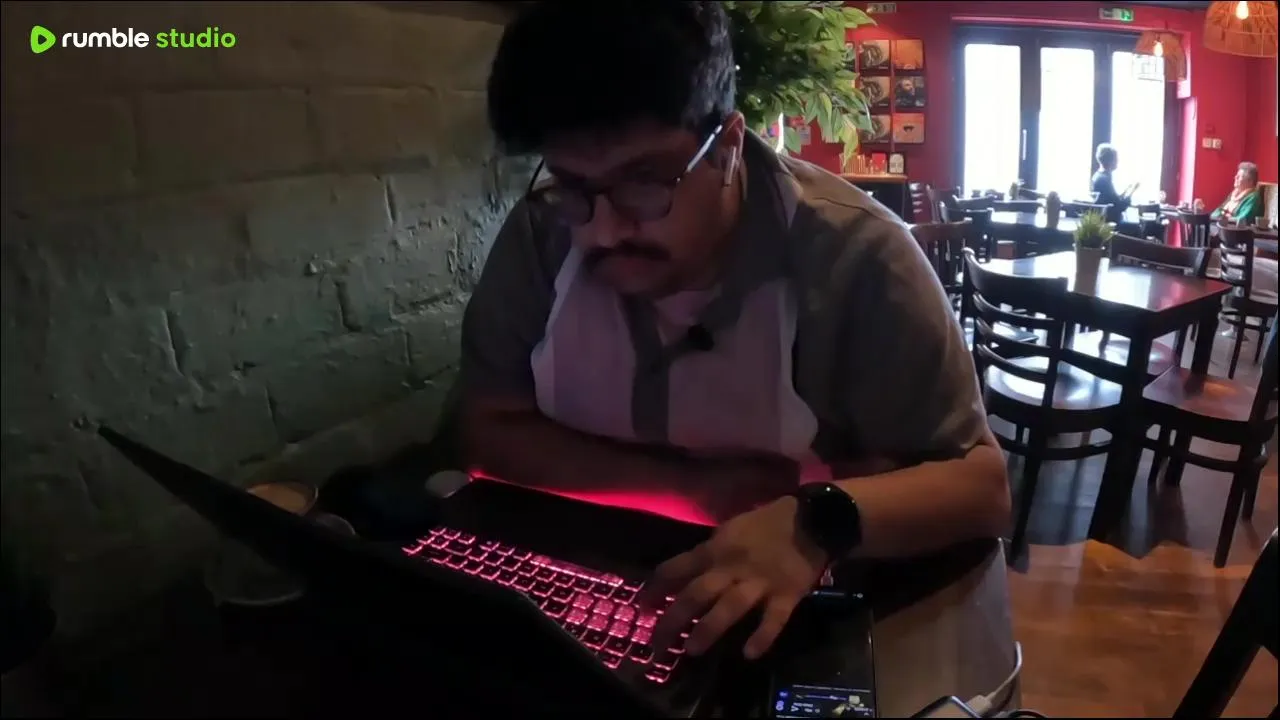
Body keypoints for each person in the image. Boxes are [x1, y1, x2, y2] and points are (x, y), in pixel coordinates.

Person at [463, 1, 1010, 662]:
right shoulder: (541, 231)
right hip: (577, 595)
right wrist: (699, 490)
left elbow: (981, 489)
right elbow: (489, 430)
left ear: (726, 145)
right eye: (573, 184)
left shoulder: (856, 259)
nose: (602, 232)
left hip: (793, 622)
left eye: (644, 182)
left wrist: (814, 522)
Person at [1090, 143, 1136, 222]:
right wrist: (1132, 191)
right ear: (1110, 160)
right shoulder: (1104, 180)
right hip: (1109, 223)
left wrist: (1125, 191)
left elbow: (1112, 199)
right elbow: (1120, 206)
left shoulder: (1098, 176)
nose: (1118, 161)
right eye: (1116, 159)